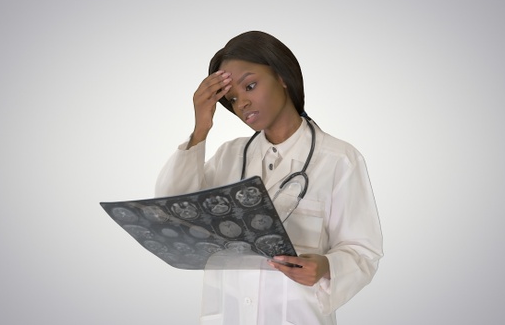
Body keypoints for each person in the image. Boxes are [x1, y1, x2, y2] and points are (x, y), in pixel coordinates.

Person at [155, 30, 383, 325]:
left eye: (250, 86)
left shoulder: (338, 159)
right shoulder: (230, 155)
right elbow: (173, 204)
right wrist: (201, 129)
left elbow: (363, 251)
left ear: (282, 77)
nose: (242, 104)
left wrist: (327, 266)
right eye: (233, 98)